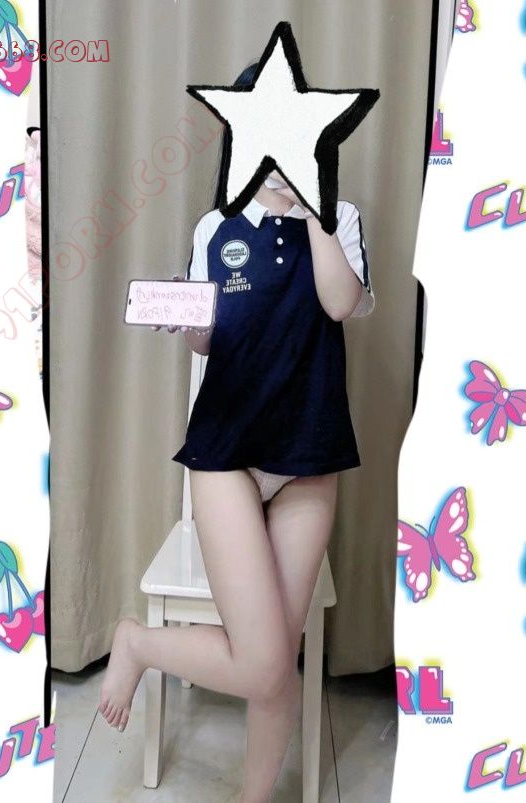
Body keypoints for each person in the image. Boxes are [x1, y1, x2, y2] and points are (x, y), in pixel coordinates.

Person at [99, 63, 375, 802]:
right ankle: (138, 641)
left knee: (273, 658)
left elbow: (341, 303)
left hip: (309, 451)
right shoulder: (215, 226)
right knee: (262, 662)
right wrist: (186, 321)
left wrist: (313, 210)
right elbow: (206, 340)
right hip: (226, 451)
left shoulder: (340, 217)